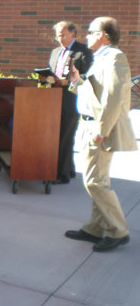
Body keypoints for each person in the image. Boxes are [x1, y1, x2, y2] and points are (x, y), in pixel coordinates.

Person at [65, 17, 137, 252]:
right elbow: (96, 93)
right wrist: (76, 82)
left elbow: (115, 98)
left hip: (98, 128)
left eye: (90, 32)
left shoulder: (115, 58)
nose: (86, 36)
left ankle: (118, 230)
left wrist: (101, 131)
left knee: (94, 181)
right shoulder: (102, 59)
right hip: (90, 125)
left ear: (102, 35)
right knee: (97, 179)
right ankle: (96, 227)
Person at [47, 21, 92, 184]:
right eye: (57, 36)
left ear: (73, 34)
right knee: (56, 135)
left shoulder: (83, 51)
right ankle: (70, 169)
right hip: (53, 98)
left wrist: (72, 81)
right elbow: (50, 71)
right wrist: (47, 77)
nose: (59, 39)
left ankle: (61, 174)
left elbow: (87, 77)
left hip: (72, 99)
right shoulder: (55, 52)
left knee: (65, 135)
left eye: (62, 35)